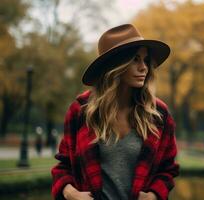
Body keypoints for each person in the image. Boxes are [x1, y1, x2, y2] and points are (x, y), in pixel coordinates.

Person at [51, 24, 180, 200]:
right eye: (135, 59)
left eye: (145, 60)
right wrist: (70, 193)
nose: (144, 67)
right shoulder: (81, 111)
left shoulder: (158, 114)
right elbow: (63, 166)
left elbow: (168, 168)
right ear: (116, 65)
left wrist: (154, 195)